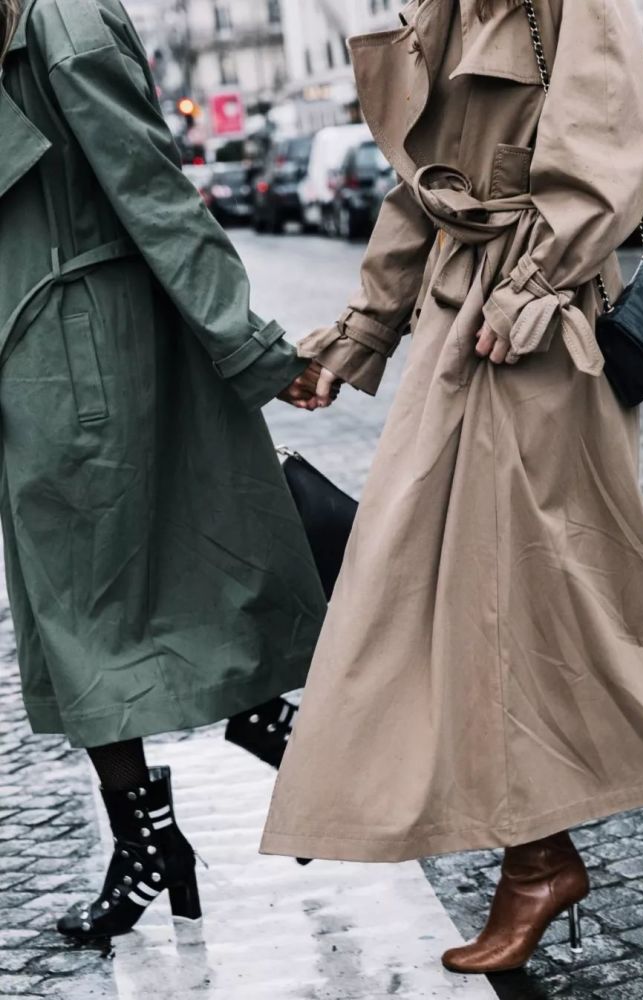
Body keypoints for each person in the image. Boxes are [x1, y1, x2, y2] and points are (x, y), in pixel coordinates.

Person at [261, 0, 643, 974]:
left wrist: (534, 283)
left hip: (544, 325)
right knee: (486, 584)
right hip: (464, 317)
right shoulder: (441, 11)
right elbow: (422, 188)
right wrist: (362, 329)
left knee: (551, 572)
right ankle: (585, 828)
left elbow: (610, 142)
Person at [0, 0, 328, 941]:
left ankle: (242, 771)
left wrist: (253, 345)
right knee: (89, 614)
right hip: (52, 357)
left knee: (92, 612)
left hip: (82, 350)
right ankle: (224, 781)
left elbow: (151, 188)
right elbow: (155, 188)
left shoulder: (57, 25)